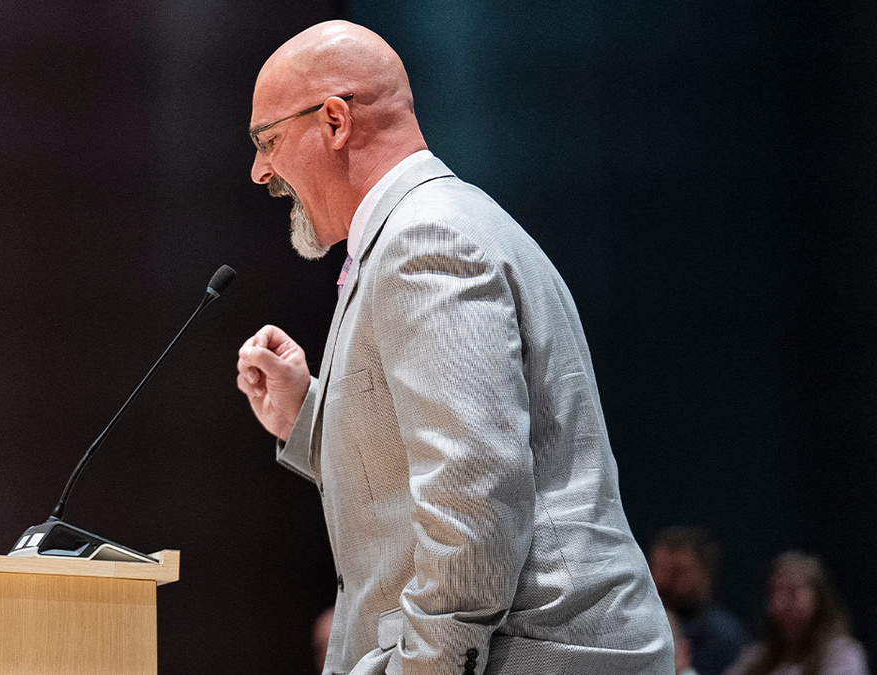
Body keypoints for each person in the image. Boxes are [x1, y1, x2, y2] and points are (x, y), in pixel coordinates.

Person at [235, 20, 672, 675]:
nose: (260, 169)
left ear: (333, 122)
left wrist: (426, 667)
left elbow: (473, 493)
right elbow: (429, 465)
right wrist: (307, 417)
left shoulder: (426, 240)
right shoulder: (430, 227)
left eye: (267, 139)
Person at [724, 552, 869, 675]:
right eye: (775, 591)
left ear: (819, 597)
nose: (781, 601)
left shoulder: (843, 654)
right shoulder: (756, 655)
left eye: (792, 592)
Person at [650, 526, 750, 675]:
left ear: (705, 575)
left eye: (677, 572)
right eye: (657, 569)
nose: (662, 581)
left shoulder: (725, 638)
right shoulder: (636, 621)